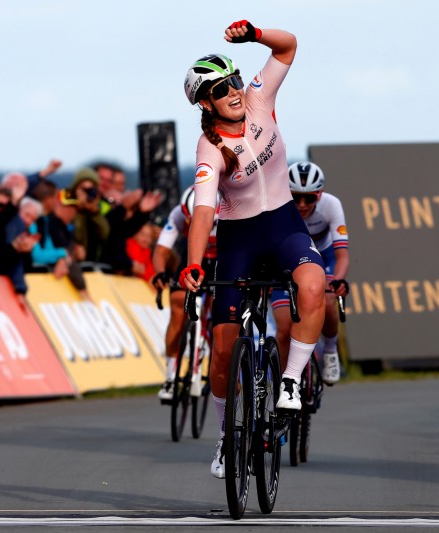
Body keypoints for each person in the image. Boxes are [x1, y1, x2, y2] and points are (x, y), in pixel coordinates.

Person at [179, 21, 326, 478]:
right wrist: (192, 264)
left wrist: (256, 34)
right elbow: (203, 212)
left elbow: (290, 46)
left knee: (313, 283)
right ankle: (226, 439)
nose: (235, 90)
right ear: (206, 102)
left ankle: (288, 383)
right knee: (223, 350)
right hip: (239, 238)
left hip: (283, 223)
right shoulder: (210, 148)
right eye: (222, 88)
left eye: (235, 80)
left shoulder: (260, 99)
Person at [270, 162, 349, 385]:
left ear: (320, 195)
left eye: (310, 198)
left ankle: (331, 351)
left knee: (327, 298)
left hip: (323, 258)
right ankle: (284, 385)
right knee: (284, 331)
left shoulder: (332, 205)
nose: (302, 204)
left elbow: (341, 254)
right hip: (285, 262)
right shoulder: (278, 207)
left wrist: (339, 280)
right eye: (295, 198)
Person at [152, 185, 219, 401]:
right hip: (193, 258)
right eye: (191, 221)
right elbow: (161, 251)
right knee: (178, 305)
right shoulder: (179, 214)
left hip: (221, 259)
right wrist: (161, 273)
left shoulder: (230, 209)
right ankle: (170, 376)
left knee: (223, 312)